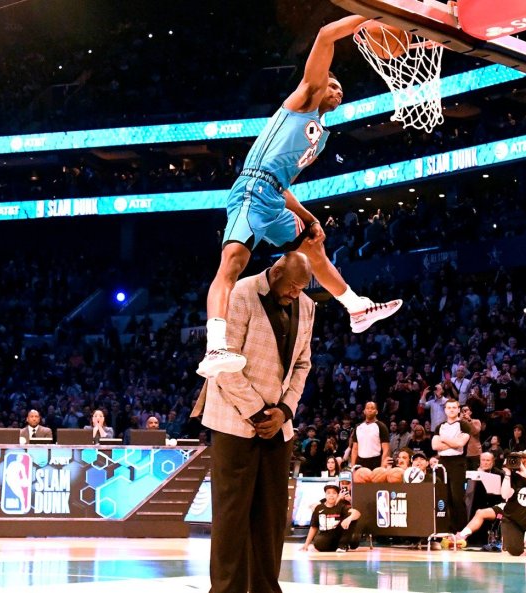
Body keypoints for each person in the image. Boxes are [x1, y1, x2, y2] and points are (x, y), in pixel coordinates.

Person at [198, 14, 402, 378]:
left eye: (341, 90)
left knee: (314, 248)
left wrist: (309, 218)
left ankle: (356, 307)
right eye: (333, 85)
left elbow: (283, 182)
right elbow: (325, 35)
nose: (337, 92)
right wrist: (371, 14)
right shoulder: (303, 99)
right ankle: (215, 346)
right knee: (231, 263)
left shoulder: (319, 135)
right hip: (251, 191)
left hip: (274, 197)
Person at [191, 252, 314, 593]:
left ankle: (265, 588)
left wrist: (285, 412)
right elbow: (222, 364)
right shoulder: (240, 293)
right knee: (232, 517)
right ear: (275, 272)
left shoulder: (308, 306)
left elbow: (303, 365)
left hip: (278, 425)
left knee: (272, 519)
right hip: (233, 421)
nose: (295, 293)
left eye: (302, 287)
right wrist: (260, 413)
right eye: (291, 285)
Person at [432, 398, 471, 534]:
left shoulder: (463, 425)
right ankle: (445, 529)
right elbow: (434, 446)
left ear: (459, 409)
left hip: (458, 463)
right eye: (449, 408)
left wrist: (443, 439)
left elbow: (460, 444)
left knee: (457, 497)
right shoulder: (440, 426)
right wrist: (451, 442)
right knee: (444, 497)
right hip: (443, 463)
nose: (452, 410)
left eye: (454, 407)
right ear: (445, 410)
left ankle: (460, 530)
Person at [301, 483, 361, 552]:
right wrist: (306, 544)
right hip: (326, 536)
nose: (331, 495)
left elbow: (357, 513)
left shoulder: (342, 506)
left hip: (339, 536)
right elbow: (314, 527)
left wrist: (349, 518)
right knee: (318, 542)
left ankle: (342, 546)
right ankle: (338, 546)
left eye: (334, 493)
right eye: (328, 493)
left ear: (338, 495)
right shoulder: (319, 508)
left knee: (352, 518)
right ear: (325, 495)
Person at [349, 401, 390, 470]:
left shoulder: (381, 426)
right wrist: (352, 467)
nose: (370, 410)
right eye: (367, 408)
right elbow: (355, 449)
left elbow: (386, 449)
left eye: (372, 408)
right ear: (364, 411)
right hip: (360, 462)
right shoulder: (358, 427)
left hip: (376, 462)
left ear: (376, 411)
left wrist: (382, 467)